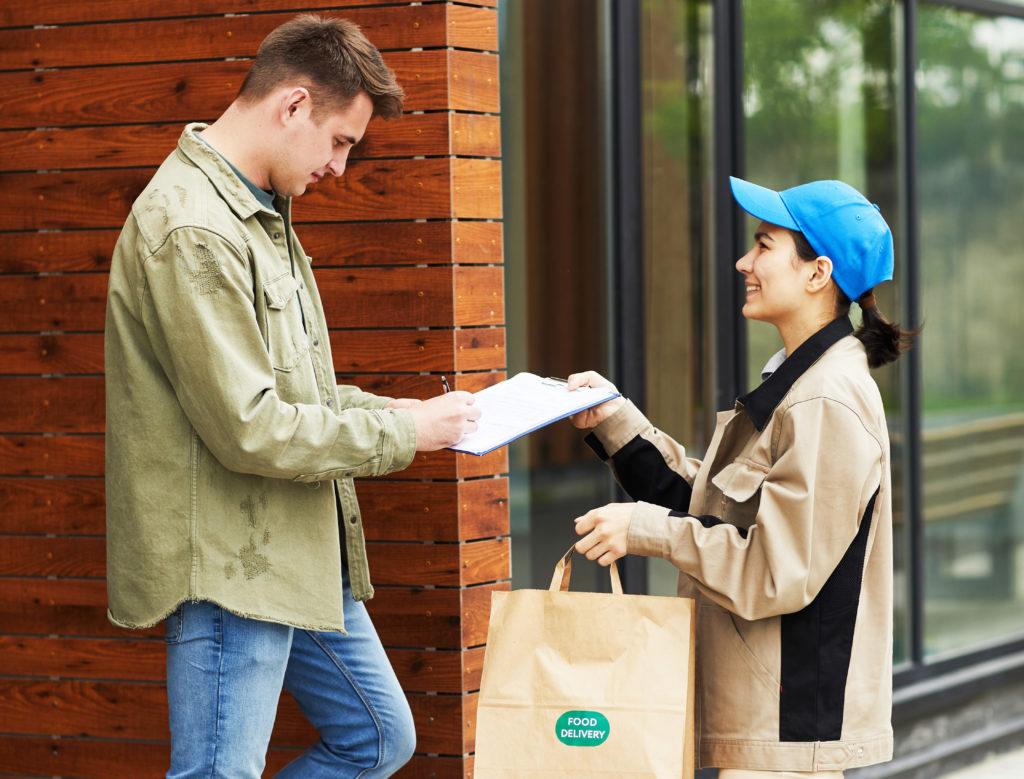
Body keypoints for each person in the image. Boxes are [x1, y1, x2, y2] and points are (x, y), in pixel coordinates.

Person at [104, 15, 480, 778]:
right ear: (293, 105)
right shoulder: (194, 227)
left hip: (294, 550)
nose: (341, 166)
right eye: (341, 140)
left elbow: (287, 388)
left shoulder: (260, 211)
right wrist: (406, 438)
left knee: (376, 737)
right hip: (230, 565)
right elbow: (252, 428)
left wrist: (397, 413)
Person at [567, 177, 914, 778]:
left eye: (763, 245)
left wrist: (649, 531)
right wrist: (617, 421)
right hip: (767, 715)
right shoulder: (801, 382)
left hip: (787, 727)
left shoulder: (824, 400)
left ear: (817, 272)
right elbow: (716, 506)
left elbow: (774, 569)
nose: (743, 262)